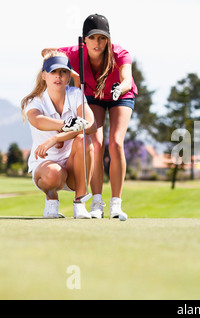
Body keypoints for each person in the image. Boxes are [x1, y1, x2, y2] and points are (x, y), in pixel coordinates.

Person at [42, 13, 138, 220]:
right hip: (93, 96)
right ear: (84, 39)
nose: (98, 42)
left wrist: (119, 88)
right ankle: (96, 202)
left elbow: (127, 80)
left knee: (116, 143)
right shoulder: (75, 53)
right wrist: (57, 59)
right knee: (95, 140)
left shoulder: (120, 53)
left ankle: (116, 205)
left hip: (119, 95)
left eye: (102, 38)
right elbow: (46, 54)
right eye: (93, 37)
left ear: (108, 39)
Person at [21, 51, 96, 219]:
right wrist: (66, 125)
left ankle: (80, 202)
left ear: (69, 75)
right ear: (43, 75)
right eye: (53, 71)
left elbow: (91, 124)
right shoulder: (35, 101)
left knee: (84, 138)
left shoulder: (75, 95)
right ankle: (51, 199)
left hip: (74, 169)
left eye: (63, 72)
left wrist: (56, 137)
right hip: (47, 171)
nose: (58, 76)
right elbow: (38, 120)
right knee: (53, 173)